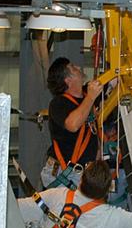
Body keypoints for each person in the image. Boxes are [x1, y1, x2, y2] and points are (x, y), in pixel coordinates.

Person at [41, 56, 105, 190]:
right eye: (73, 67)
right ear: (68, 80)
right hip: (65, 173)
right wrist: (91, 97)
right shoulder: (59, 104)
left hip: (82, 174)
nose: (78, 67)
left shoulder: (88, 95)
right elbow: (73, 124)